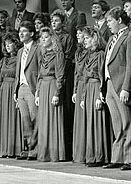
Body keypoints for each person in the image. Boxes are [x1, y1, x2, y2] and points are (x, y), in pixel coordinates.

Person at [101, 6, 131, 170]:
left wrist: (127, 88)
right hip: (109, 84)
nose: (108, 24)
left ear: (119, 20)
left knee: (126, 122)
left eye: (110, 21)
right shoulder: (111, 39)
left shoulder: (130, 36)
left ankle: (129, 158)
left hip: (121, 84)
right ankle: (118, 157)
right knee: (116, 123)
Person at [80, 26, 111, 167]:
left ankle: (100, 155)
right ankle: (91, 155)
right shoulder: (89, 54)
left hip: (96, 88)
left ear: (94, 39)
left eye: (87, 38)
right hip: (88, 90)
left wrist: (100, 95)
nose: (84, 41)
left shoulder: (100, 54)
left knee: (97, 122)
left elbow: (101, 75)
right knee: (89, 123)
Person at [35, 27, 66, 162]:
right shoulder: (42, 55)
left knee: (53, 120)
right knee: (43, 120)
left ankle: (55, 153)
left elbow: (61, 75)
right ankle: (44, 152)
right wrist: (37, 91)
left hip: (53, 86)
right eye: (42, 37)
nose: (43, 39)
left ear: (52, 39)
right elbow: (39, 75)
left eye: (46, 37)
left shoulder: (58, 55)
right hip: (43, 87)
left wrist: (57, 93)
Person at [14, 21, 41, 160]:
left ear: (31, 33)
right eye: (20, 32)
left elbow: (41, 69)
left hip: (32, 87)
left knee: (34, 118)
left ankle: (36, 149)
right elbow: (18, 72)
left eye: (24, 31)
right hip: (21, 88)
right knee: (25, 120)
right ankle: (28, 147)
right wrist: (15, 90)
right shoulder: (20, 51)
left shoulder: (37, 48)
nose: (21, 34)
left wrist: (38, 89)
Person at [51, 10, 75, 159]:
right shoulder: (49, 37)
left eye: (57, 20)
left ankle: (66, 147)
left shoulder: (67, 38)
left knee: (65, 110)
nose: (54, 23)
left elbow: (67, 58)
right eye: (52, 21)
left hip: (64, 75)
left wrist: (62, 76)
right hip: (51, 75)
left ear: (63, 22)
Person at [0, 33, 23, 158]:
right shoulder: (3, 60)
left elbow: (19, 76)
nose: (7, 46)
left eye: (10, 43)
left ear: (16, 44)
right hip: (4, 90)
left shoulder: (19, 58)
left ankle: (15, 149)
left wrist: (17, 93)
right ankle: (5, 148)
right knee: (5, 119)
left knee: (15, 118)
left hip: (13, 89)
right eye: (5, 44)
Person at [71, 26, 88, 164]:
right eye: (76, 34)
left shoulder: (90, 51)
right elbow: (76, 73)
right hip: (80, 84)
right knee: (79, 121)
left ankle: (87, 153)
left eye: (80, 34)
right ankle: (79, 154)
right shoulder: (78, 52)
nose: (78, 36)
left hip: (87, 85)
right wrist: (75, 90)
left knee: (86, 120)